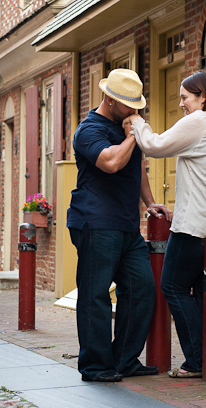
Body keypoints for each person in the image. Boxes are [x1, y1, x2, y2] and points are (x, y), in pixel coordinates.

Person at [124, 71, 206, 378]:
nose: (181, 104)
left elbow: (154, 145)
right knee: (203, 291)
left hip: (193, 226)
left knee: (173, 287)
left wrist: (138, 123)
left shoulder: (201, 121)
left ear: (203, 96)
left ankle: (196, 361)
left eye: (185, 97)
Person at [67, 68, 172, 383]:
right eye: (129, 105)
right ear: (110, 99)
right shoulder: (88, 129)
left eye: (138, 105)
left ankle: (125, 360)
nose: (135, 111)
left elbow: (137, 167)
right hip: (94, 221)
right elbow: (111, 162)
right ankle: (95, 366)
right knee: (95, 294)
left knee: (142, 289)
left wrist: (149, 202)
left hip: (126, 225)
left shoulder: (127, 124)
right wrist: (131, 135)